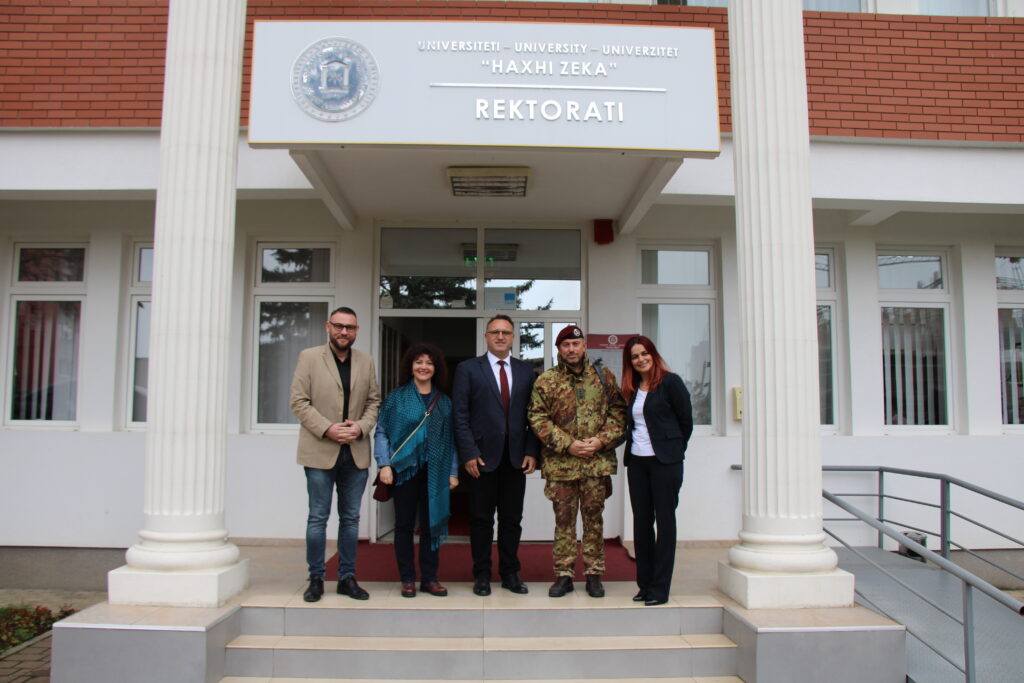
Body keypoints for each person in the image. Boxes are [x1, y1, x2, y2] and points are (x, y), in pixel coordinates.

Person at [528, 324, 627, 598]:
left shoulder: (603, 376)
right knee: (564, 521)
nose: (571, 349)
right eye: (566, 345)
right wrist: (568, 444)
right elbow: (537, 418)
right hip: (562, 466)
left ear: (584, 346)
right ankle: (564, 574)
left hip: (596, 464)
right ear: (559, 349)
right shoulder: (546, 381)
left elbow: (619, 412)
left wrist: (601, 441)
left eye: (576, 344)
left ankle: (594, 573)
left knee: (594, 519)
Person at [290, 306, 381, 603]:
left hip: (355, 451)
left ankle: (347, 577)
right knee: (318, 517)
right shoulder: (309, 358)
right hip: (320, 449)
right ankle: (316, 578)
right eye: (339, 326)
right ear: (328, 327)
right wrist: (328, 429)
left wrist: (361, 427)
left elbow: (373, 402)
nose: (345, 332)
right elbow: (299, 401)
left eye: (351, 328)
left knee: (351, 519)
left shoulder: (366, 362)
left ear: (357, 330)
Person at [452, 314, 540, 596]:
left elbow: (534, 417)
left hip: (516, 459)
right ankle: (481, 575)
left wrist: (531, 451)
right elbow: (460, 415)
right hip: (481, 459)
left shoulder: (526, 371)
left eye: (506, 332)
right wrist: (468, 453)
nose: (500, 337)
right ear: (486, 337)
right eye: (495, 332)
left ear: (513, 337)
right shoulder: (468, 369)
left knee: (512, 520)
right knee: (480, 519)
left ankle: (510, 573)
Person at [374, 342, 459, 598]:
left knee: (433, 524)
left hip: (436, 471)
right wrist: (384, 464)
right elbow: (381, 432)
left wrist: (453, 472)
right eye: (419, 362)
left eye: (429, 363)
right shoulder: (396, 398)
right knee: (404, 525)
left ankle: (430, 578)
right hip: (404, 470)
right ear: (410, 366)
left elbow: (452, 440)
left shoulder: (444, 403)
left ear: (436, 368)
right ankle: (408, 578)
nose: (424, 367)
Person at [620, 335, 693, 606]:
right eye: (635, 357)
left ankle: (661, 588)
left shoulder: (671, 383)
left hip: (665, 464)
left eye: (644, 354)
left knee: (665, 523)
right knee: (641, 524)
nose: (640, 359)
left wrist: (673, 451)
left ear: (653, 353)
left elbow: (686, 422)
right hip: (637, 463)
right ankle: (645, 584)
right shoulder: (632, 388)